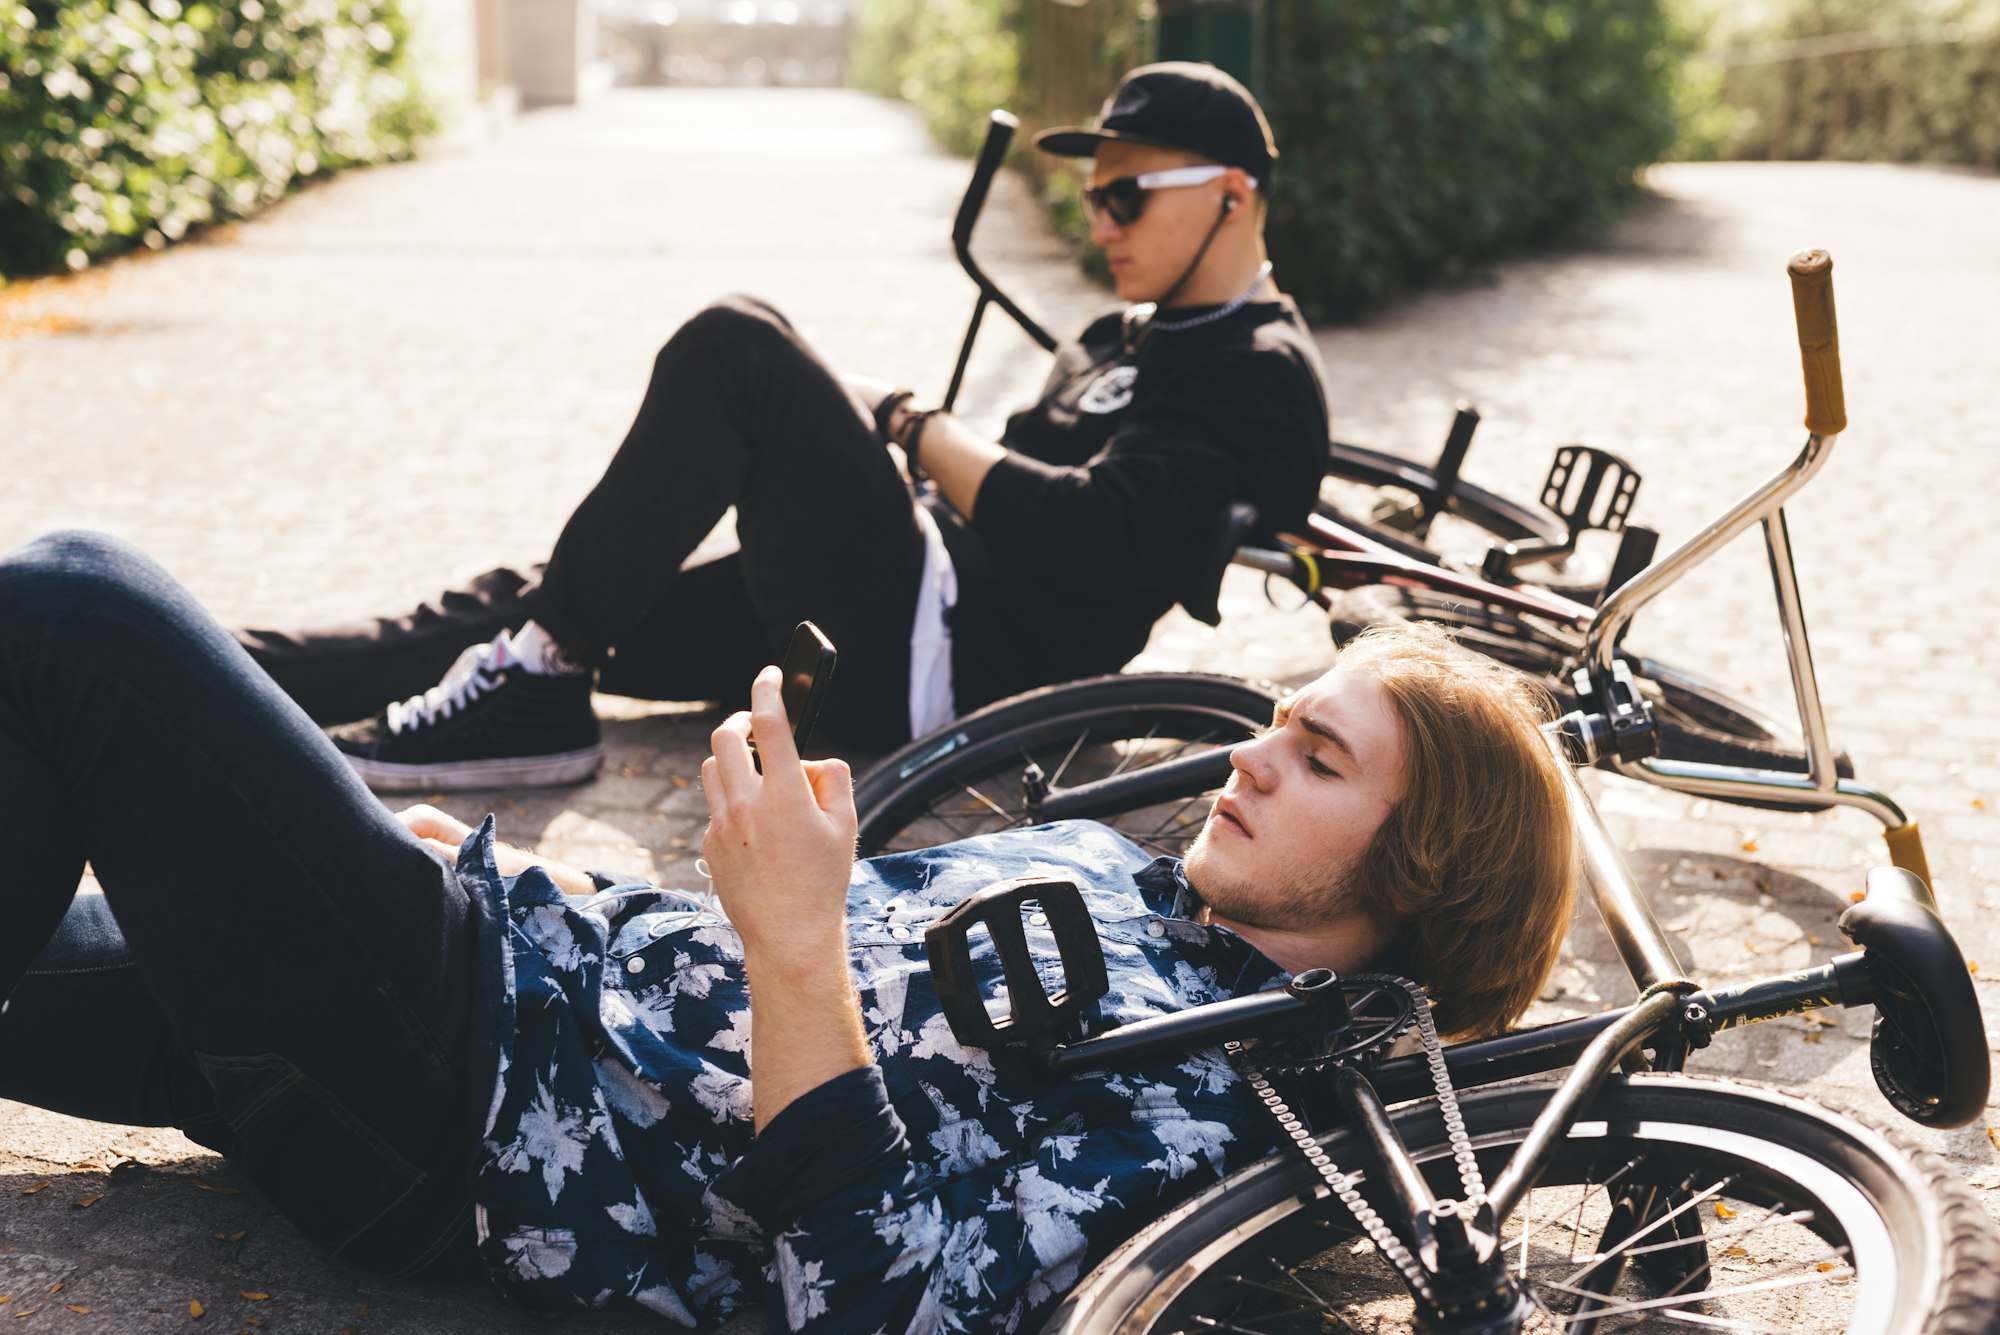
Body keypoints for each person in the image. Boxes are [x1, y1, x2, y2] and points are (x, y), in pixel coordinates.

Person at [0, 530, 1575, 1331]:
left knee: (71, 605)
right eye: (1279, 721)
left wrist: (799, 944)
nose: (1249, 754)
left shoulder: (1216, 1109)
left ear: (1420, 864)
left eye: (1318, 758)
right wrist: (522, 880)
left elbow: (884, 1304)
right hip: (488, 969)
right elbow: (697, 953)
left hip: (466, 1103)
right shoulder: (1137, 875)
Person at [235, 61, 1333, 793]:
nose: (1098, 221)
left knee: (737, 344)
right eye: (1092, 198)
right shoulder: (1118, 331)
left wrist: (907, 421)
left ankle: (543, 682)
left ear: (1231, 196)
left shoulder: (1256, 372)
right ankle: (229, 669)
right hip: (888, 594)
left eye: (1125, 196)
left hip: (944, 668)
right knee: (551, 592)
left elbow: (1093, 542)